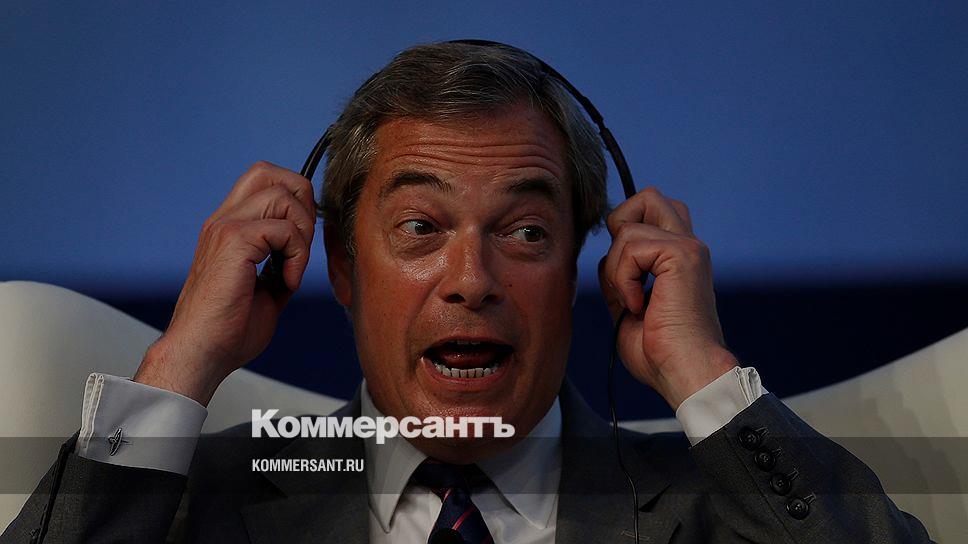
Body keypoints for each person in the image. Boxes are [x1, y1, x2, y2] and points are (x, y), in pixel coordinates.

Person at [2, 41, 933, 543]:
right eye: (420, 228)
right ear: (342, 267)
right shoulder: (190, 505)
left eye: (525, 233)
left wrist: (702, 370)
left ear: (589, 269)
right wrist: (180, 362)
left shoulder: (722, 506)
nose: (472, 282)